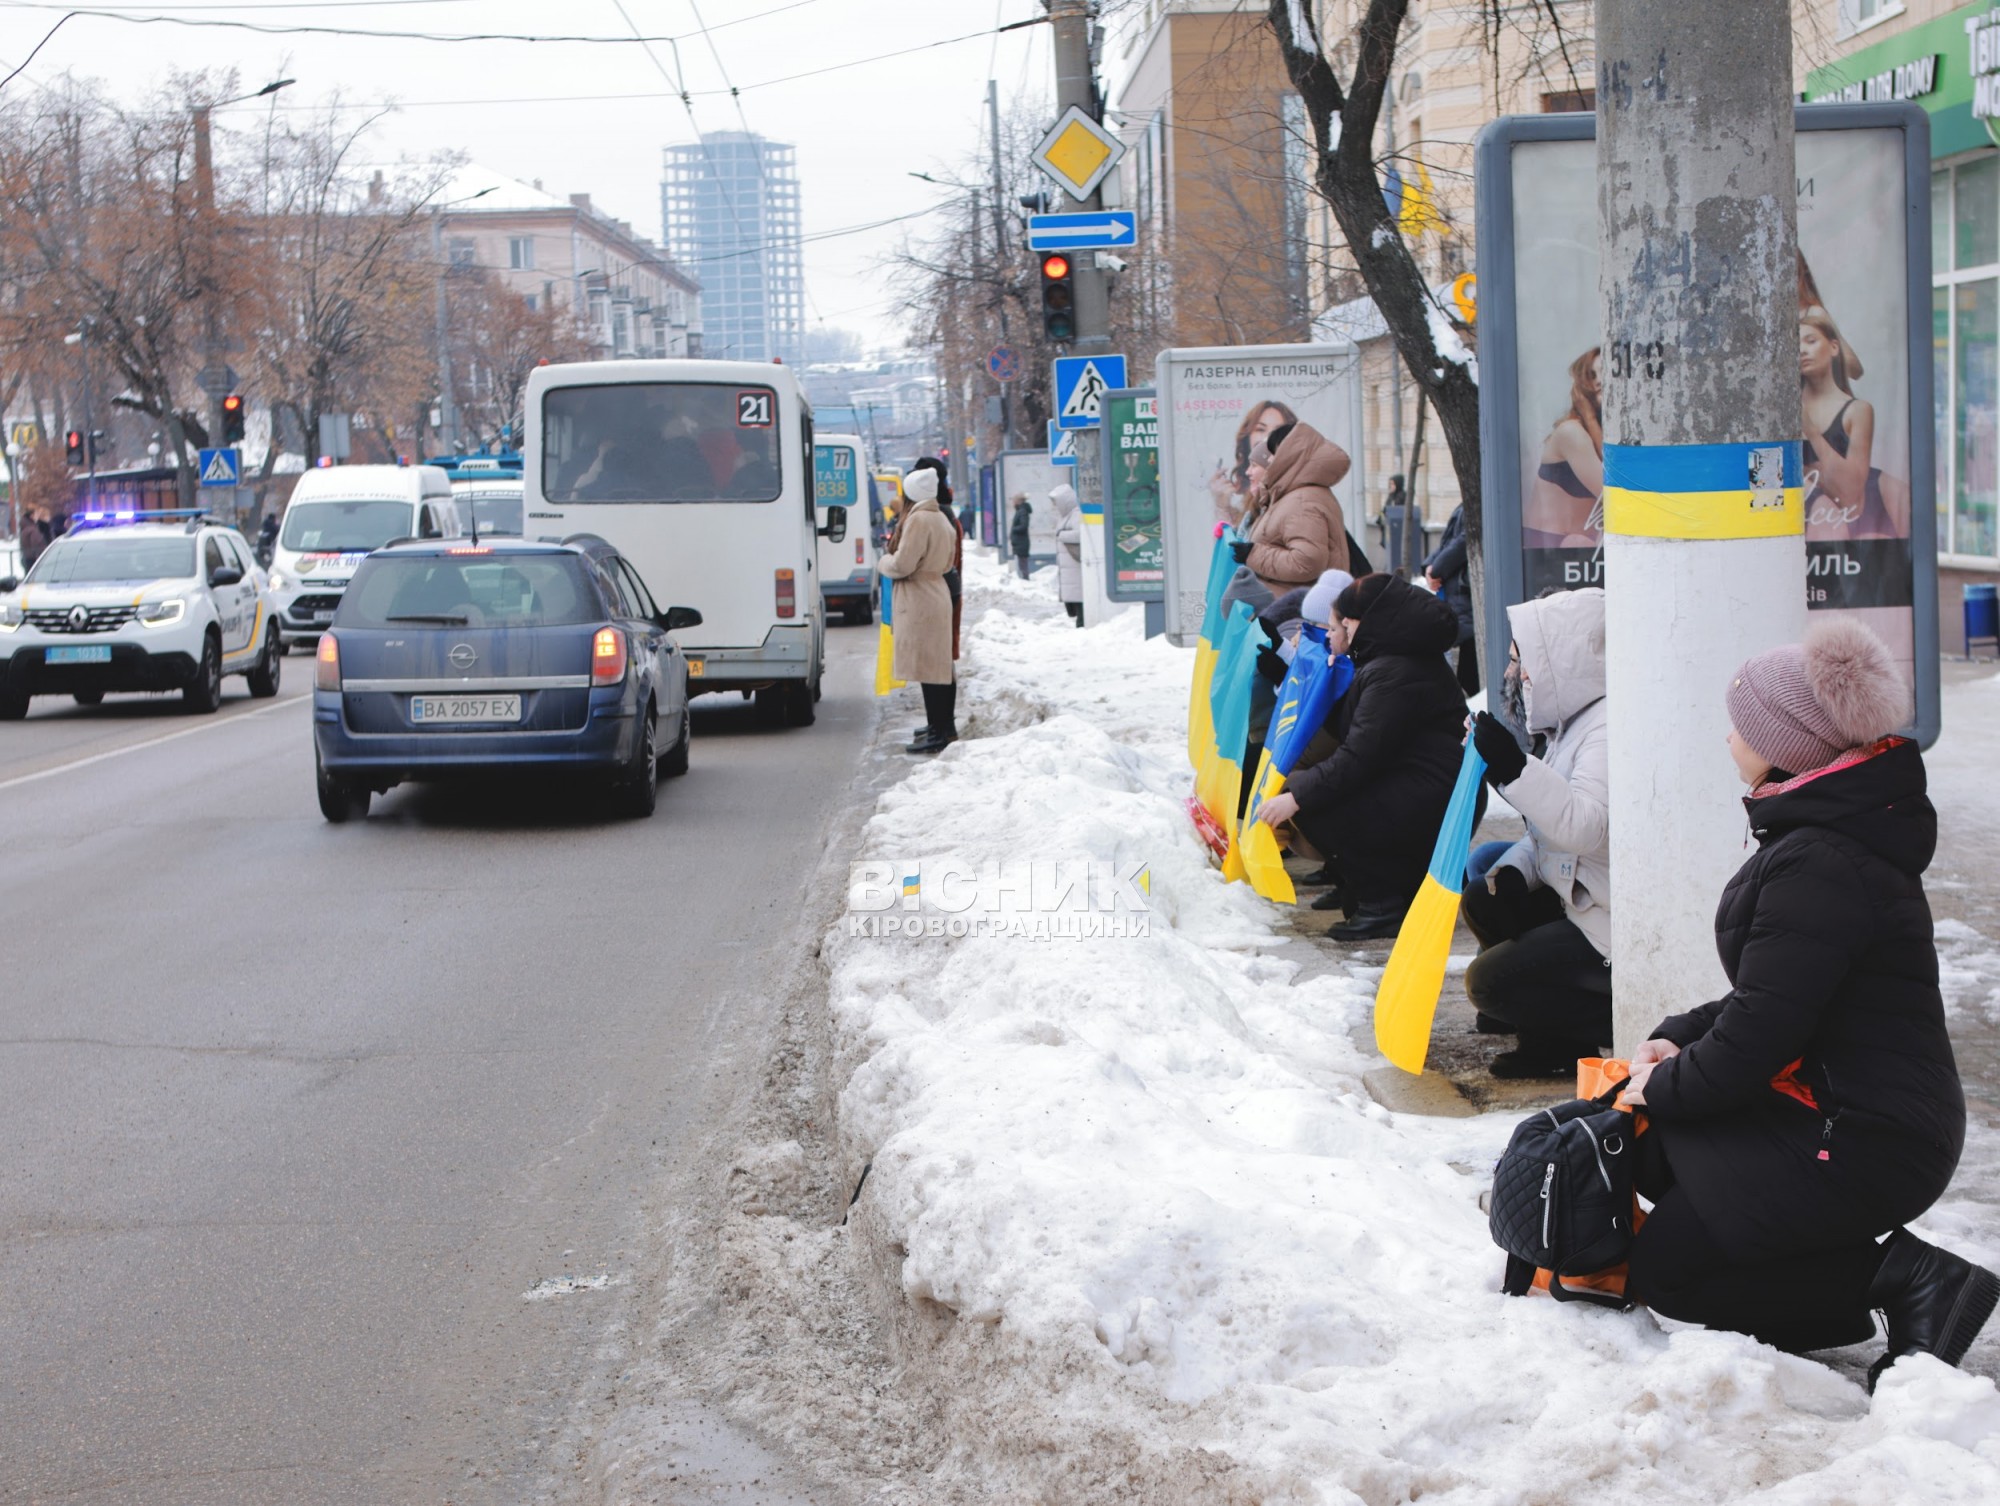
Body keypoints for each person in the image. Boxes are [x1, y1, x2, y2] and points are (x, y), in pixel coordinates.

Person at [1620, 620, 1993, 1387]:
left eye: (1743, 724)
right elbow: (1783, 994)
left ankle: (1906, 1280)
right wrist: (1679, 1036)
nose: (1729, 736)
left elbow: (1765, 1029)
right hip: (1835, 1106)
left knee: (1671, 1272)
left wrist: (1665, 1084)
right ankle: (1829, 1274)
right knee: (1653, 1152)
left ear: (1785, 746)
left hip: (1867, 1133)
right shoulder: (1824, 834)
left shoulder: (1822, 857)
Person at [1252, 573, 1465, 939]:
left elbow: (1358, 757)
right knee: (1310, 790)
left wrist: (1295, 798)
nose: (1328, 636)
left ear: (1352, 625)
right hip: (1422, 786)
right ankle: (1388, 889)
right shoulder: (1389, 658)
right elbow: (1359, 729)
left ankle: (1382, 904)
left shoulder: (1394, 671)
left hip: (1431, 796)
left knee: (1312, 799)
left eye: (1332, 628)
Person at [1461, 588, 1612, 1079]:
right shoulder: (1573, 724)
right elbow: (1546, 831)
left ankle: (1606, 1024)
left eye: (1519, 660)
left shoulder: (1606, 729)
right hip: (1583, 897)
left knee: (1488, 983)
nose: (1512, 674)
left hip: (1607, 921)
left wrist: (1511, 767)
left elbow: (1583, 825)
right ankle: (1546, 1031)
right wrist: (1515, 872)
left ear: (1556, 661)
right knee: (1485, 892)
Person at [1801, 309, 1910, 542]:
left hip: (1851, 525)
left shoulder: (1858, 410)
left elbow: (1851, 495)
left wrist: (1810, 431)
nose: (1802, 350)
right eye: (1795, 345)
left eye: (1811, 341)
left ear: (1833, 347)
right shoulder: (1783, 408)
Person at [879, 464, 959, 754]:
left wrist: (883, 562)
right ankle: (942, 727)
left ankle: (939, 731)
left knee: (929, 668)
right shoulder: (941, 519)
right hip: (936, 591)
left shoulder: (918, 520)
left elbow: (902, 564)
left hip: (920, 597)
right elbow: (949, 562)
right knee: (938, 665)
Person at [1233, 421, 1351, 598]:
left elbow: (1306, 563)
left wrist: (1253, 554)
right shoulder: (1295, 495)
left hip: (1293, 614)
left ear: (1286, 455)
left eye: (1273, 453)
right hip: (1290, 607)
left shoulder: (1302, 502)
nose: (1270, 459)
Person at [1525, 348, 1603, 548]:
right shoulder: (1571, 432)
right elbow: (1612, 490)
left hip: (1583, 548)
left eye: (1607, 372)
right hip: (1554, 547)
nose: (1600, 381)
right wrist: (1590, 417)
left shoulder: (1603, 433)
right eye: (1592, 375)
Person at [1206, 398, 1297, 527]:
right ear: (1247, 437)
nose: (1268, 437)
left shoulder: (1296, 489)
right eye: (1260, 429)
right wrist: (1223, 507)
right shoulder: (1246, 491)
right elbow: (1236, 543)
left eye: (1278, 431)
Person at [1423, 503, 1477, 694]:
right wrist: (1431, 567)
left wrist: (1435, 568)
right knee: (1467, 670)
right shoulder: (1465, 504)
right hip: (1461, 595)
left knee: (1469, 671)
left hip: (1466, 596)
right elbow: (1449, 543)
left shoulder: (1472, 504)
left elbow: (1461, 542)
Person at [1051, 483, 1084, 627]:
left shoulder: (1076, 514)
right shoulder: (1064, 516)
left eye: (1056, 502)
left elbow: (1081, 534)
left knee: (1080, 599)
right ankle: (1080, 623)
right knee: (1075, 599)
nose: (1055, 506)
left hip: (1075, 567)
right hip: (1069, 568)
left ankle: (1082, 624)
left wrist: (1061, 535)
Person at [1009, 493, 1033, 578]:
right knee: (1021, 564)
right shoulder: (1020, 510)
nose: (1013, 502)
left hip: (1021, 542)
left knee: (1022, 564)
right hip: (1019, 542)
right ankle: (1024, 580)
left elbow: (1023, 526)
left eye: (1014, 500)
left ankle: (1025, 581)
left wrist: (1014, 529)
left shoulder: (1022, 511)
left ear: (1018, 501)